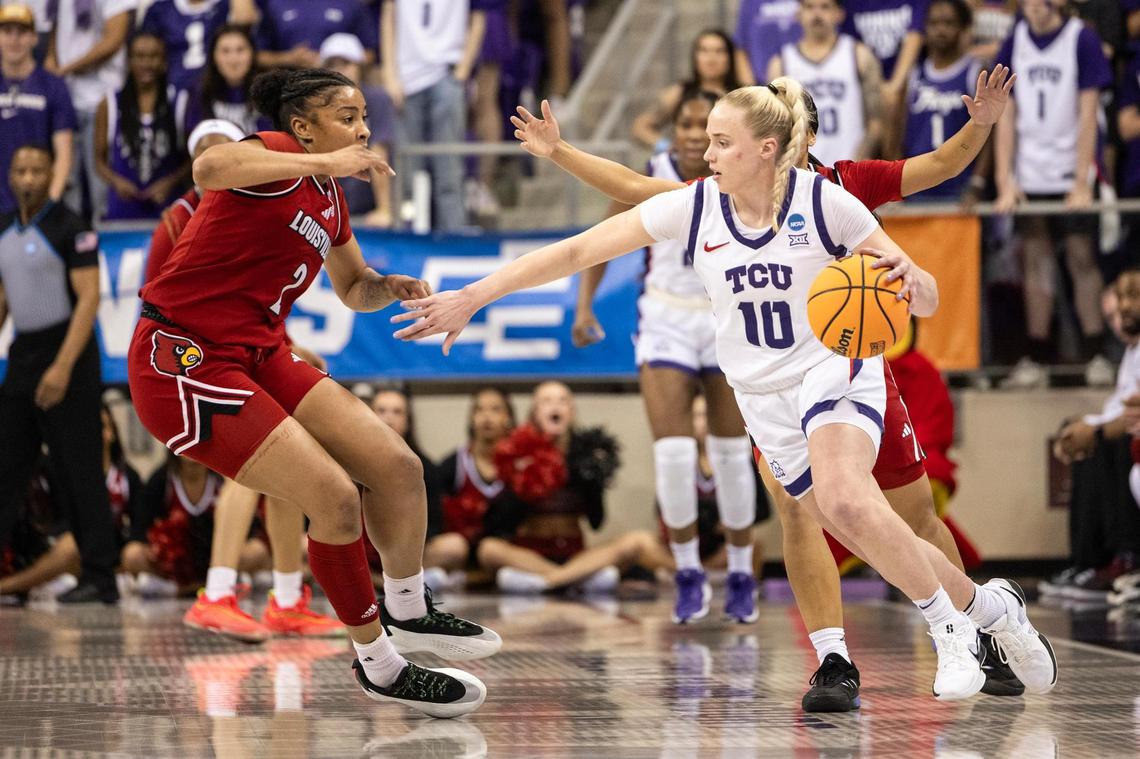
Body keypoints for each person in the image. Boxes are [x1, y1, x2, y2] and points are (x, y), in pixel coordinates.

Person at [397, 78, 1059, 705]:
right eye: (707, 141)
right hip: (761, 393)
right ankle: (992, 608)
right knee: (853, 521)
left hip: (835, 365)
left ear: (766, 149)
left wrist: (916, 284)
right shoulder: (696, 206)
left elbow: (928, 289)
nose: (705, 153)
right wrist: (474, 296)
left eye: (720, 142)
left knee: (845, 493)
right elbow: (578, 251)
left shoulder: (828, 200)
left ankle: (950, 630)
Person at [127, 67, 498, 717]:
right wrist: (328, 157)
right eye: (348, 116)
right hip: (183, 358)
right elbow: (209, 169)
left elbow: (353, 287)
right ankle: (380, 664)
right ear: (301, 125)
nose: (363, 129)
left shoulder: (329, 194)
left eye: (364, 118)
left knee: (397, 465)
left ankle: (408, 609)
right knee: (330, 496)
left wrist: (391, 285)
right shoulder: (270, 153)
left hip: (259, 350)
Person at [145, 119, 343, 640]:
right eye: (207, 154)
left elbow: (262, 292)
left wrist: (285, 348)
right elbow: (162, 299)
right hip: (191, 355)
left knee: (289, 466)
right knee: (250, 470)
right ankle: (217, 591)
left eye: (229, 149)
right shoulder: (179, 218)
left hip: (248, 347)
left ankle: (286, 595)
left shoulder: (271, 200)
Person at [577, 87, 765, 624]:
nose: (691, 135)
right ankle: (686, 571)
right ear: (673, 131)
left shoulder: (743, 175)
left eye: (702, 127)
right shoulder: (650, 171)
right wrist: (584, 306)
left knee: (731, 455)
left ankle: (741, 571)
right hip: (665, 316)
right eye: (684, 124)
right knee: (675, 454)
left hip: (725, 315)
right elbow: (600, 239)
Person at [0, 143, 120, 604]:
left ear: (52, 174)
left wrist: (62, 368)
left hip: (68, 352)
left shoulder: (71, 227)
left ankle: (99, 575)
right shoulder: (6, 229)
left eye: (36, 170)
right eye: (20, 170)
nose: (28, 178)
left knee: (79, 469)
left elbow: (88, 300)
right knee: (7, 464)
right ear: (11, 176)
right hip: (24, 353)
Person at [994, 0, 1113, 389]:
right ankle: (1036, 357)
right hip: (1030, 173)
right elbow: (1005, 114)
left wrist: (1081, 179)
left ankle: (1097, 353)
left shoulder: (1081, 39)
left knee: (1081, 256)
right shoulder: (1016, 41)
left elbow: (1088, 113)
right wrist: (1004, 179)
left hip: (1069, 169)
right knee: (1035, 261)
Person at [477, 381, 671, 595]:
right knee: (489, 549)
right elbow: (502, 523)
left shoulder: (586, 455)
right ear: (535, 412)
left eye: (562, 401)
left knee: (636, 541)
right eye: (546, 401)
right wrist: (526, 482)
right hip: (530, 555)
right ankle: (575, 580)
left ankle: (550, 581)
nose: (555, 406)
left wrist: (592, 479)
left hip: (574, 553)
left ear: (571, 411)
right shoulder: (517, 452)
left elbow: (596, 522)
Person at [1045, 269, 1140, 599]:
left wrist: (1095, 431)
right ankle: (1088, 560)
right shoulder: (1131, 353)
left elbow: (1131, 412)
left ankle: (1124, 557)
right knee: (1087, 436)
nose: (1122, 316)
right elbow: (1118, 408)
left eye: (1131, 302)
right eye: (1113, 314)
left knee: (1109, 443)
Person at [380, 0, 486, 231]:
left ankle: (454, 235)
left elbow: (478, 17)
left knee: (449, 167)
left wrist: (462, 71)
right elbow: (389, 13)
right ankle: (409, 233)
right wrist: (389, 73)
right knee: (406, 170)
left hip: (446, 72)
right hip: (406, 78)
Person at [44, 0, 135, 220]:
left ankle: (103, 247)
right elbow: (56, 28)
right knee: (68, 184)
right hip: (67, 96)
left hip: (102, 97)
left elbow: (113, 40)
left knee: (101, 188)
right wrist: (51, 66)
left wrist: (65, 69)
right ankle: (70, 245)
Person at [769, 0, 884, 164]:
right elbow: (776, 126)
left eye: (825, 7)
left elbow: (877, 121)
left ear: (839, 13)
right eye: (809, 7)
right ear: (798, 14)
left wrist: (859, 162)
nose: (817, 14)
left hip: (850, 166)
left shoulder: (858, 54)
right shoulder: (781, 63)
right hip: (804, 171)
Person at [94, 32, 190, 221]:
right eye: (139, 56)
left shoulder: (180, 101)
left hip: (168, 209)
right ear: (129, 61)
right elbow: (98, 160)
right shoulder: (110, 103)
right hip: (123, 208)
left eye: (154, 56)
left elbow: (192, 159)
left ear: (164, 61)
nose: (146, 63)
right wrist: (117, 182)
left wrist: (169, 182)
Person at [899, 0, 985, 203]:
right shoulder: (914, 75)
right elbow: (898, 131)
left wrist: (978, 181)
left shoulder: (974, 72)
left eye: (948, 23)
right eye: (934, 23)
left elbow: (989, 132)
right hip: (916, 183)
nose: (940, 30)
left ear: (963, 28)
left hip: (959, 186)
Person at [431, 387, 514, 586]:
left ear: (509, 418)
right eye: (479, 410)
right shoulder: (454, 463)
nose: (487, 417)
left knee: (494, 549)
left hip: (502, 554)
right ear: (471, 418)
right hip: (461, 556)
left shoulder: (522, 463)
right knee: (452, 547)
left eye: (495, 409)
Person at [0, 3, 74, 215]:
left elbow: (64, 151)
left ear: (34, 37)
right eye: (7, 31)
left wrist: (50, 202)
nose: (14, 39)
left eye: (22, 32)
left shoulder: (53, 85)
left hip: (37, 205)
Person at [369, 387, 447, 589]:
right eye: (382, 410)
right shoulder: (347, 459)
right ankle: (402, 581)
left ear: (408, 420)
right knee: (307, 544)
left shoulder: (424, 466)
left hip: (407, 547)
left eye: (397, 412)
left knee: (454, 546)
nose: (389, 418)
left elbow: (435, 523)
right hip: (361, 548)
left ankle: (389, 580)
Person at [320, 33, 395, 226]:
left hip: (365, 207)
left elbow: (379, 151)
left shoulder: (377, 99)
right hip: (325, 206)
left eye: (345, 63)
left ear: (360, 66)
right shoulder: (315, 105)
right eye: (331, 65)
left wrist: (384, 208)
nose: (338, 71)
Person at [632, 29, 744, 151]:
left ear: (730, 57)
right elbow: (640, 127)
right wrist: (667, 147)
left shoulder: (743, 96)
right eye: (704, 51)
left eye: (719, 51)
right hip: (690, 164)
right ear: (695, 57)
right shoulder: (679, 93)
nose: (711, 59)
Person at [184, 24, 269, 136]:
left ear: (252, 54)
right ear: (213, 57)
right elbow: (194, 141)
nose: (233, 59)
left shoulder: (267, 93)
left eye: (240, 50)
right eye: (225, 51)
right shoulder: (199, 91)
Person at [254, 0, 377, 71]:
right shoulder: (275, 4)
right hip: (288, 86)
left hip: (339, 86)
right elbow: (258, 56)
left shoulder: (351, 4)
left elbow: (370, 54)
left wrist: (332, 60)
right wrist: (288, 58)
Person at [138, 0, 229, 92]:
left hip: (215, 89)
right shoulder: (160, 10)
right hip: (171, 87)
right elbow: (144, 49)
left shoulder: (225, 7)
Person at [735, 0, 801, 86]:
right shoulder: (750, 2)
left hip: (803, 80)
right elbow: (741, 46)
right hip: (761, 84)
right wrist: (750, 89)